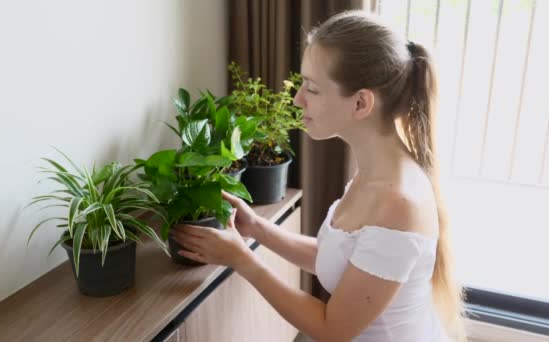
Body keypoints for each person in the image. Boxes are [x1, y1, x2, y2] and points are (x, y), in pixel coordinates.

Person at [173, 10, 465, 342]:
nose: (298, 99)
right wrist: (257, 229)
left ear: (360, 104)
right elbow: (341, 260)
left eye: (312, 88)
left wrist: (243, 259)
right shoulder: (376, 170)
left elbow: (333, 329)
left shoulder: (397, 203)